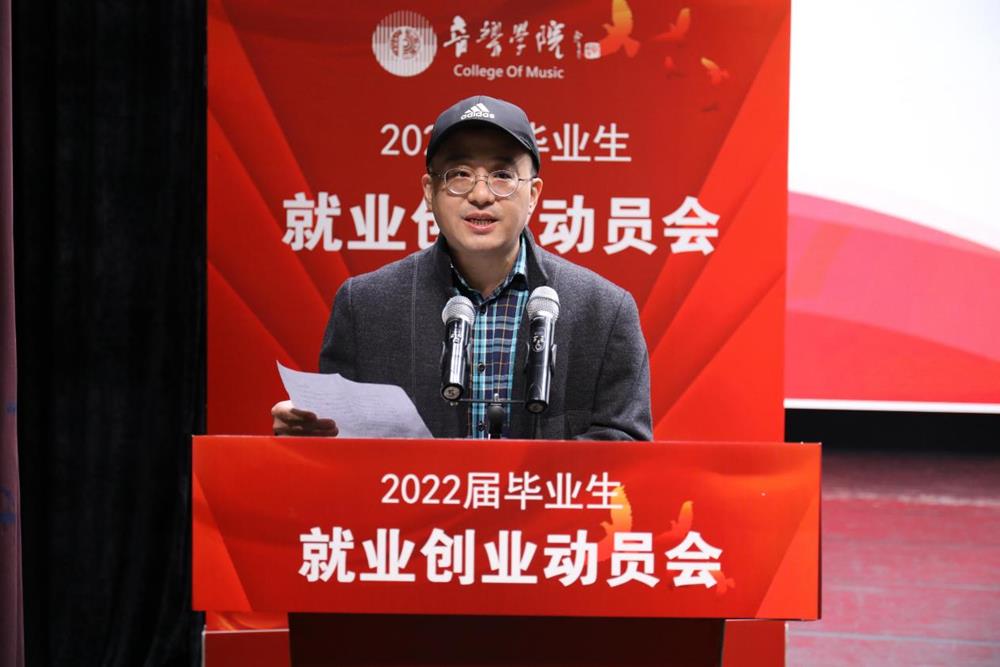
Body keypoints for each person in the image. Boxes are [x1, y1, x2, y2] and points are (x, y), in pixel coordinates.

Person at [271, 94, 651, 440]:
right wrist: (307, 434)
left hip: (541, 499)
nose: (481, 195)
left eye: (502, 175)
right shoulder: (366, 306)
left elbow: (625, 452)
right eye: (459, 175)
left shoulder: (604, 311)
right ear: (429, 192)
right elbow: (338, 452)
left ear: (533, 194)